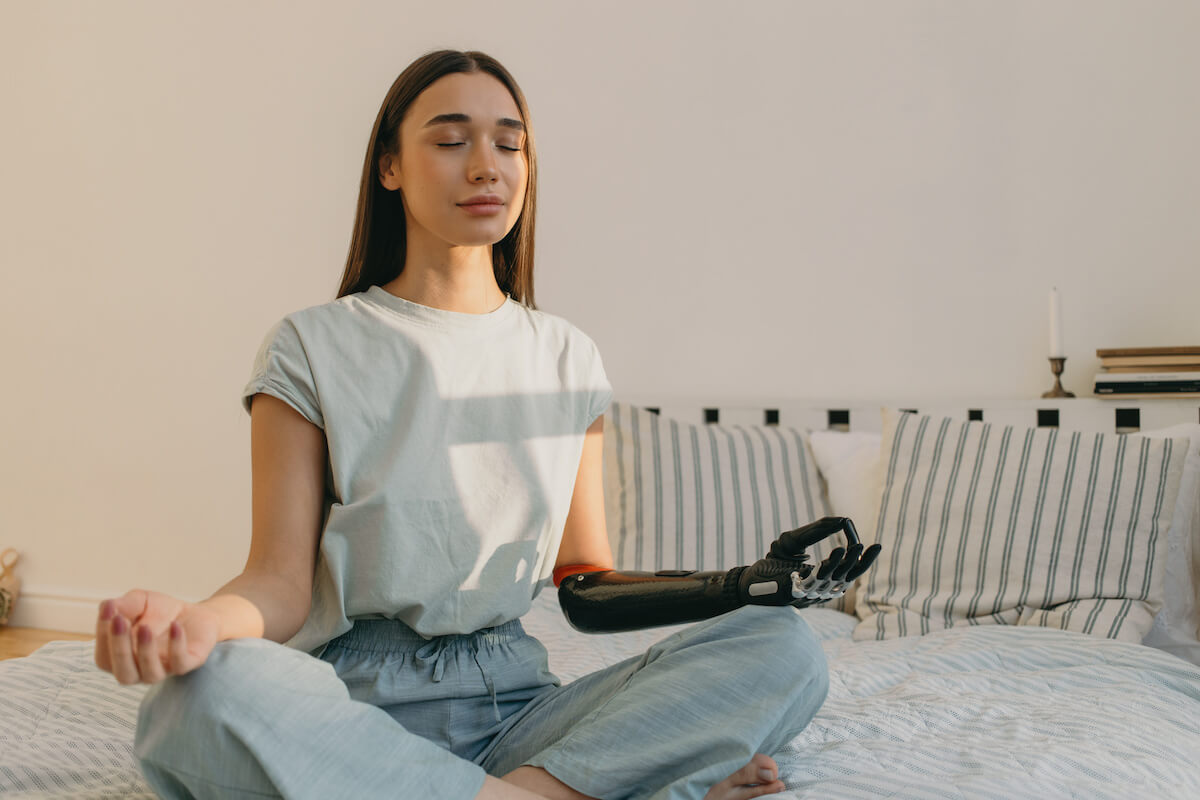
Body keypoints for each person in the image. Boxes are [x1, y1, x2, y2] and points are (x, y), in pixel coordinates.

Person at [93, 49, 836, 800]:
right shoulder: (311, 345)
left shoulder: (567, 357)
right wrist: (197, 623)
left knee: (784, 650)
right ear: (390, 166)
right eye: (451, 141)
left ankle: (524, 789)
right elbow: (278, 582)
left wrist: (740, 586)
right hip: (353, 716)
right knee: (192, 698)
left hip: (519, 711)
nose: (487, 166)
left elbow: (585, 584)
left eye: (509, 144)